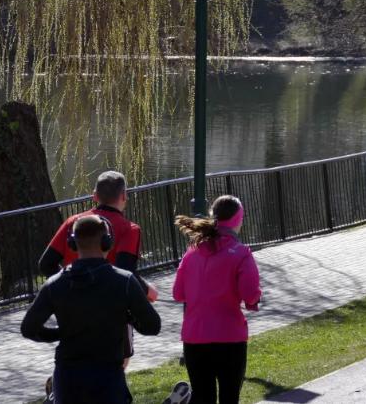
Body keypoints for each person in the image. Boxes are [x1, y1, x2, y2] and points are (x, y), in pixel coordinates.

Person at [38, 171, 157, 400]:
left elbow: (46, 264)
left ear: (94, 196)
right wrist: (147, 291)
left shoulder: (75, 223)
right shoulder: (128, 229)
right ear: (124, 195)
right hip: (112, 308)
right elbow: (126, 272)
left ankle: (59, 390)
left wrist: (69, 283)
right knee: (116, 362)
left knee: (75, 353)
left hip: (73, 307)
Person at [21, 215, 161, 404]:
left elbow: (28, 328)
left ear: (72, 243)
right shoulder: (125, 281)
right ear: (106, 242)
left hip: (68, 376)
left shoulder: (55, 284)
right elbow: (152, 326)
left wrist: (58, 334)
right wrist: (127, 318)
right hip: (108, 376)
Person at [172, 195, 262, 404]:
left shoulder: (192, 252)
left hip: (194, 337)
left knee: (203, 397)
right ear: (239, 219)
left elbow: (178, 293)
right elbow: (250, 295)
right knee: (229, 398)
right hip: (229, 337)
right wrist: (254, 299)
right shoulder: (241, 253)